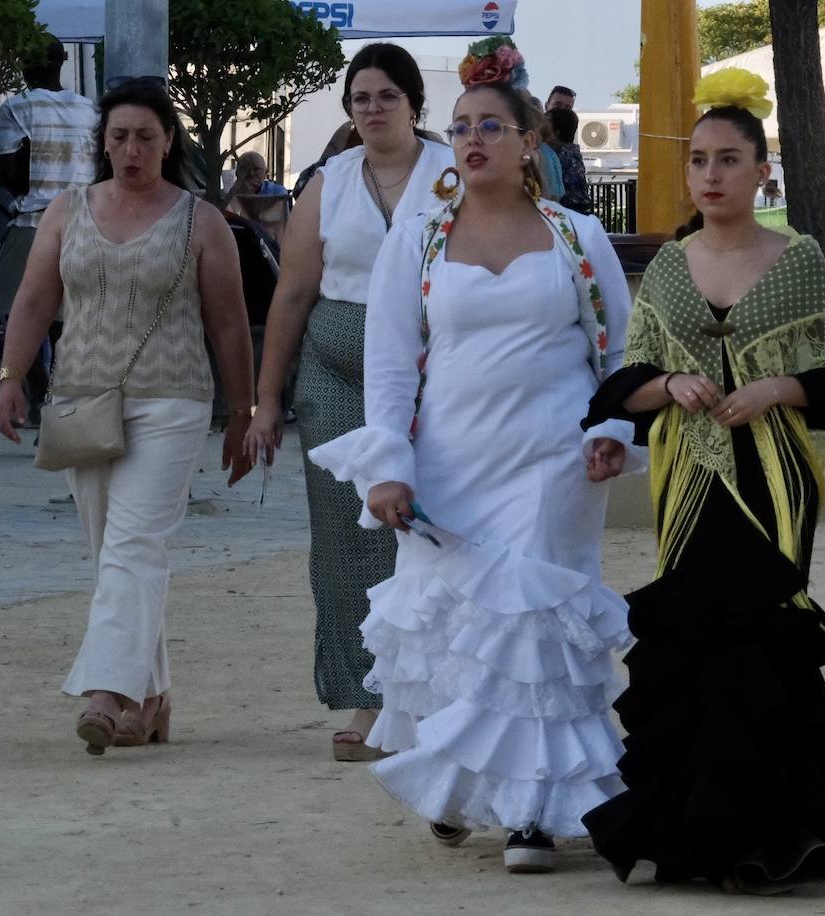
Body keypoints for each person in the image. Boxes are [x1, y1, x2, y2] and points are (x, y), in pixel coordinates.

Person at [307, 36, 638, 873]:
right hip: (447, 463)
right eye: (460, 128)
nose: (472, 140)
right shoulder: (417, 238)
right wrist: (388, 465)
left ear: (531, 142)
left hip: (552, 464)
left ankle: (532, 814)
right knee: (455, 631)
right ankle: (453, 787)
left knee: (531, 629)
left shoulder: (578, 237)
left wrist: (613, 433)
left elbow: (621, 356)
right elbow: (388, 364)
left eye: (491, 125)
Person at [580, 69, 825, 894]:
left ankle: (772, 834)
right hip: (688, 482)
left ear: (763, 172)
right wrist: (671, 387)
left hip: (772, 483)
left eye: (728, 159)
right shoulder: (672, 269)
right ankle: (693, 836)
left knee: (761, 642)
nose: (711, 174)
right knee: (688, 640)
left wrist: (779, 388)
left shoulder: (800, 261)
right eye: (699, 160)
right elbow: (625, 384)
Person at [0, 78, 256, 755]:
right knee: (118, 555)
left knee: (135, 545)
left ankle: (107, 692)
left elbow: (229, 326)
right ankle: (155, 697)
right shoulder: (66, 210)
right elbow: (31, 302)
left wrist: (243, 412)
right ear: (101, 143)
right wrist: (11, 377)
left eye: (144, 136)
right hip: (82, 400)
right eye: (118, 137)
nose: (131, 150)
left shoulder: (200, 221)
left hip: (172, 399)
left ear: (168, 141)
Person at [243, 43, 455, 762]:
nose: (372, 108)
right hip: (334, 367)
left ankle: (435, 696)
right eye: (360, 98)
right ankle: (365, 698)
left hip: (434, 374)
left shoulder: (453, 173)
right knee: (345, 538)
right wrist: (265, 399)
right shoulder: (327, 183)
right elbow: (295, 291)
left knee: (430, 531)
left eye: (386, 96)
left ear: (414, 104)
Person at [0, 39, 98, 414]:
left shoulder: (16, 108)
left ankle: (37, 392)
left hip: (35, 222)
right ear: (63, 64)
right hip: (82, 225)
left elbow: (14, 176)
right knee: (65, 317)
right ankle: (61, 393)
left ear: (23, 65)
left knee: (11, 308)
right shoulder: (90, 110)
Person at [546, 107, 591, 214]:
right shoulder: (573, 154)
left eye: (545, 130)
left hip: (566, 212)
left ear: (556, 134)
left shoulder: (559, 157)